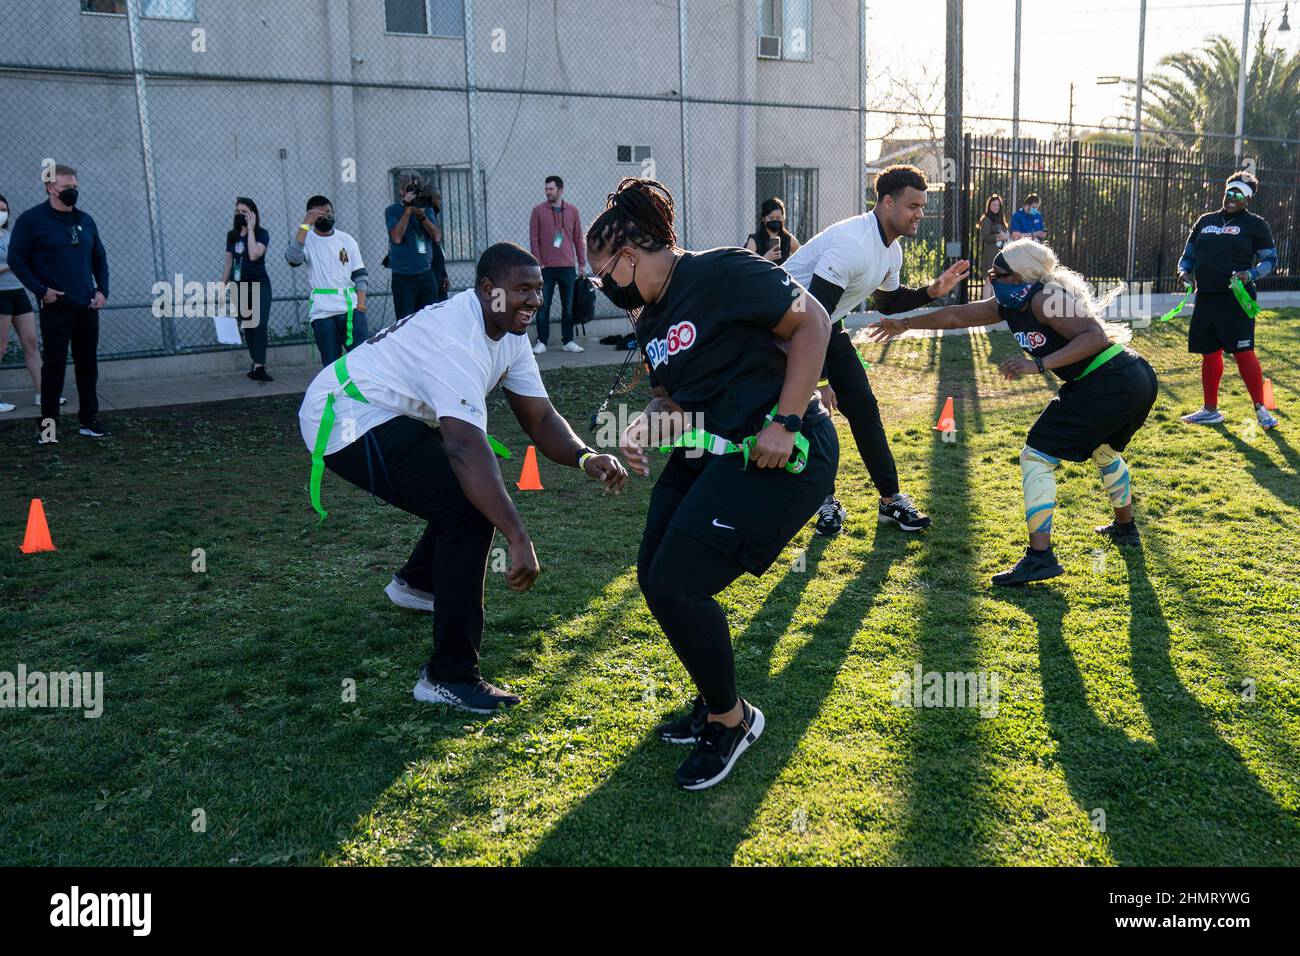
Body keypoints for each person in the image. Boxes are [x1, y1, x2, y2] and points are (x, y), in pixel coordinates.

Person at [298, 242, 626, 714]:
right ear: (489, 290)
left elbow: (539, 417)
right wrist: (517, 536)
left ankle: (418, 584)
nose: (535, 301)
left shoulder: (509, 329)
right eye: (522, 290)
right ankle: (448, 675)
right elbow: (464, 448)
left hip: (377, 408)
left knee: (463, 497)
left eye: (538, 290)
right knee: (469, 510)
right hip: (343, 416)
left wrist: (583, 456)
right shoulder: (458, 337)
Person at [590, 178, 838, 791]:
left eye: (605, 275)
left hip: (780, 450)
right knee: (656, 577)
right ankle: (713, 700)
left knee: (679, 582)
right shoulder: (648, 321)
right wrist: (650, 420)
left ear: (631, 254)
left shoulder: (722, 270)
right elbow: (672, 396)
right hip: (707, 451)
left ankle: (733, 720)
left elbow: (815, 324)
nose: (605, 289)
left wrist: (784, 420)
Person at [869, 238, 1159, 586]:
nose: (991, 280)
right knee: (1104, 451)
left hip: (1111, 379)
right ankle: (1125, 528)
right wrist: (907, 323)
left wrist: (1039, 364)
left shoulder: (1046, 298)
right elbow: (958, 315)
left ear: (1021, 275)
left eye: (997, 274)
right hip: (1126, 380)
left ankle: (1040, 558)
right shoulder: (1011, 303)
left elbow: (1094, 337)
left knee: (1036, 455)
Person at [782, 165, 968, 537]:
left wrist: (930, 292)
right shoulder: (854, 242)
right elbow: (810, 311)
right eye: (913, 206)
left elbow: (887, 301)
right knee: (808, 414)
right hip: (783, 330)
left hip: (821, 325)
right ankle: (825, 503)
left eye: (923, 206)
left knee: (863, 407)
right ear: (886, 202)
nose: (920, 214)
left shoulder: (891, 250)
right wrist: (817, 381)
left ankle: (890, 501)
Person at [6, 164, 110, 442]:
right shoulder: (32, 221)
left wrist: (102, 291)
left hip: (87, 306)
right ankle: (48, 428)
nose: (72, 191)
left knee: (88, 365)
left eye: (75, 186)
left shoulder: (85, 220)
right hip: (56, 308)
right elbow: (17, 259)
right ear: (51, 188)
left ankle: (89, 420)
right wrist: (41, 290)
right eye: (66, 187)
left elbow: (99, 257)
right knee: (54, 368)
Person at [1176, 170, 1279, 430]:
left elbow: (1270, 260)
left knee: (1244, 353)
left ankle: (1262, 410)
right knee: (1209, 354)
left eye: (1239, 194)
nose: (1232, 197)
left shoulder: (1256, 225)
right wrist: (1185, 272)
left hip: (1236, 299)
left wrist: (1251, 274)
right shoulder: (1205, 220)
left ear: (1247, 199)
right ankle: (1210, 410)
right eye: (1229, 192)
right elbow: (1188, 254)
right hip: (1206, 299)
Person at [285, 195, 368, 366]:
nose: (326, 217)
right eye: (320, 214)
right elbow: (293, 259)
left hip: (350, 310)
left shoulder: (346, 239)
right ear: (311, 216)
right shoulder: (306, 240)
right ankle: (334, 393)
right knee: (331, 365)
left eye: (329, 212)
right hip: (323, 312)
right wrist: (304, 225)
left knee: (361, 361)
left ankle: (360, 393)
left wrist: (361, 306)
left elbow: (360, 274)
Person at [0, 193, 58, 414]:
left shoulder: (10, 235)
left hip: (18, 292)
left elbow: (25, 258)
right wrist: (12, 265)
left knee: (31, 342)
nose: (1, 213)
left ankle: (44, 394)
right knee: (1, 346)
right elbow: (17, 262)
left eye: (4, 209)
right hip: (0, 295)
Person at [527, 175, 586, 354]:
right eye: (546, 189)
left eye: (551, 189)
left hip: (568, 266)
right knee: (543, 306)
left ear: (560, 190)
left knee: (568, 307)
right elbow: (534, 237)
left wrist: (582, 263)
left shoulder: (573, 211)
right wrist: (538, 262)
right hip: (546, 268)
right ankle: (542, 341)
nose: (547, 192)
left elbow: (578, 238)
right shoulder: (538, 211)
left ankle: (568, 341)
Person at [223, 197, 273, 382]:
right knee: (248, 326)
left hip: (260, 285)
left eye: (244, 212)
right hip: (238, 286)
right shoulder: (232, 235)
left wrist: (250, 230)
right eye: (237, 212)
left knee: (259, 324)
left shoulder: (262, 233)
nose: (240, 215)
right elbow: (229, 261)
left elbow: (253, 255)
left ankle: (260, 366)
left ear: (253, 214)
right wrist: (223, 285)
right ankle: (255, 363)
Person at [385, 173, 440, 320]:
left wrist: (422, 216)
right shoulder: (392, 210)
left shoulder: (426, 208)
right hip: (403, 277)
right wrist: (408, 211)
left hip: (426, 274)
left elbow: (437, 236)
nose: (412, 192)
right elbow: (396, 237)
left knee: (431, 318)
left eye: (415, 188)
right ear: (401, 191)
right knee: (405, 322)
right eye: (409, 188)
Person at [743, 197, 801, 266]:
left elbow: (802, 257)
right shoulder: (754, 240)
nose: (775, 220)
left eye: (778, 218)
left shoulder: (788, 238)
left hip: (781, 275)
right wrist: (765, 258)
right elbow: (747, 266)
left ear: (783, 218)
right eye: (771, 218)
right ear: (764, 219)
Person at [976, 194, 1011, 299]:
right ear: (989, 206)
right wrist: (999, 237)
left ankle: (992, 305)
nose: (996, 207)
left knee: (996, 281)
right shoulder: (986, 220)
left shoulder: (1001, 220)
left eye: (998, 205)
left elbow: (1006, 235)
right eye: (993, 204)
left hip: (1000, 253)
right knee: (989, 280)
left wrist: (1006, 236)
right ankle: (985, 305)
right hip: (990, 253)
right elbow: (985, 237)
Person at [429, 188, 449, 303]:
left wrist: (444, 274)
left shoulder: (434, 216)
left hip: (439, 273)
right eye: (438, 198)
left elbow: (438, 249)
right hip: (431, 274)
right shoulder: (425, 217)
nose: (440, 201)